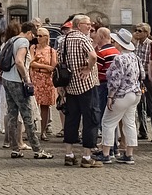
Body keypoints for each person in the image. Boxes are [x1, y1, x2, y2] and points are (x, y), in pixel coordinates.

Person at [0, 21, 49, 159]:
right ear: (29, 33)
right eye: (33, 36)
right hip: (17, 81)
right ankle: (37, 150)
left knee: (12, 114)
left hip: (6, 79)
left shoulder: (11, 39)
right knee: (27, 115)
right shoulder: (23, 42)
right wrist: (26, 77)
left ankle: (15, 148)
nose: (33, 39)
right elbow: (19, 61)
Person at [59, 15, 101, 168]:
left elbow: (60, 61)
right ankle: (87, 156)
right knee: (91, 119)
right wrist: (89, 68)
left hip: (70, 85)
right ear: (79, 25)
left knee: (71, 119)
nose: (90, 27)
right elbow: (93, 56)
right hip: (86, 84)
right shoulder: (83, 39)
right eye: (87, 24)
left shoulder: (63, 40)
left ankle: (69, 154)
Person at [97, 29, 142, 165]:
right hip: (135, 93)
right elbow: (142, 74)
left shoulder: (119, 58)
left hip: (122, 94)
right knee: (129, 123)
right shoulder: (135, 57)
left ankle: (106, 153)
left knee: (107, 122)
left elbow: (115, 80)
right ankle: (129, 154)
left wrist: (110, 96)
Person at [28, 26, 58, 140]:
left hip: (46, 80)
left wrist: (39, 65)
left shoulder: (51, 51)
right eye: (37, 36)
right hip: (35, 78)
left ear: (46, 37)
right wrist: (45, 66)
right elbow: (31, 63)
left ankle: (43, 131)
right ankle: (31, 129)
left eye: (40, 36)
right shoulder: (33, 48)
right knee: (32, 105)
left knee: (45, 106)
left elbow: (53, 66)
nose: (38, 38)